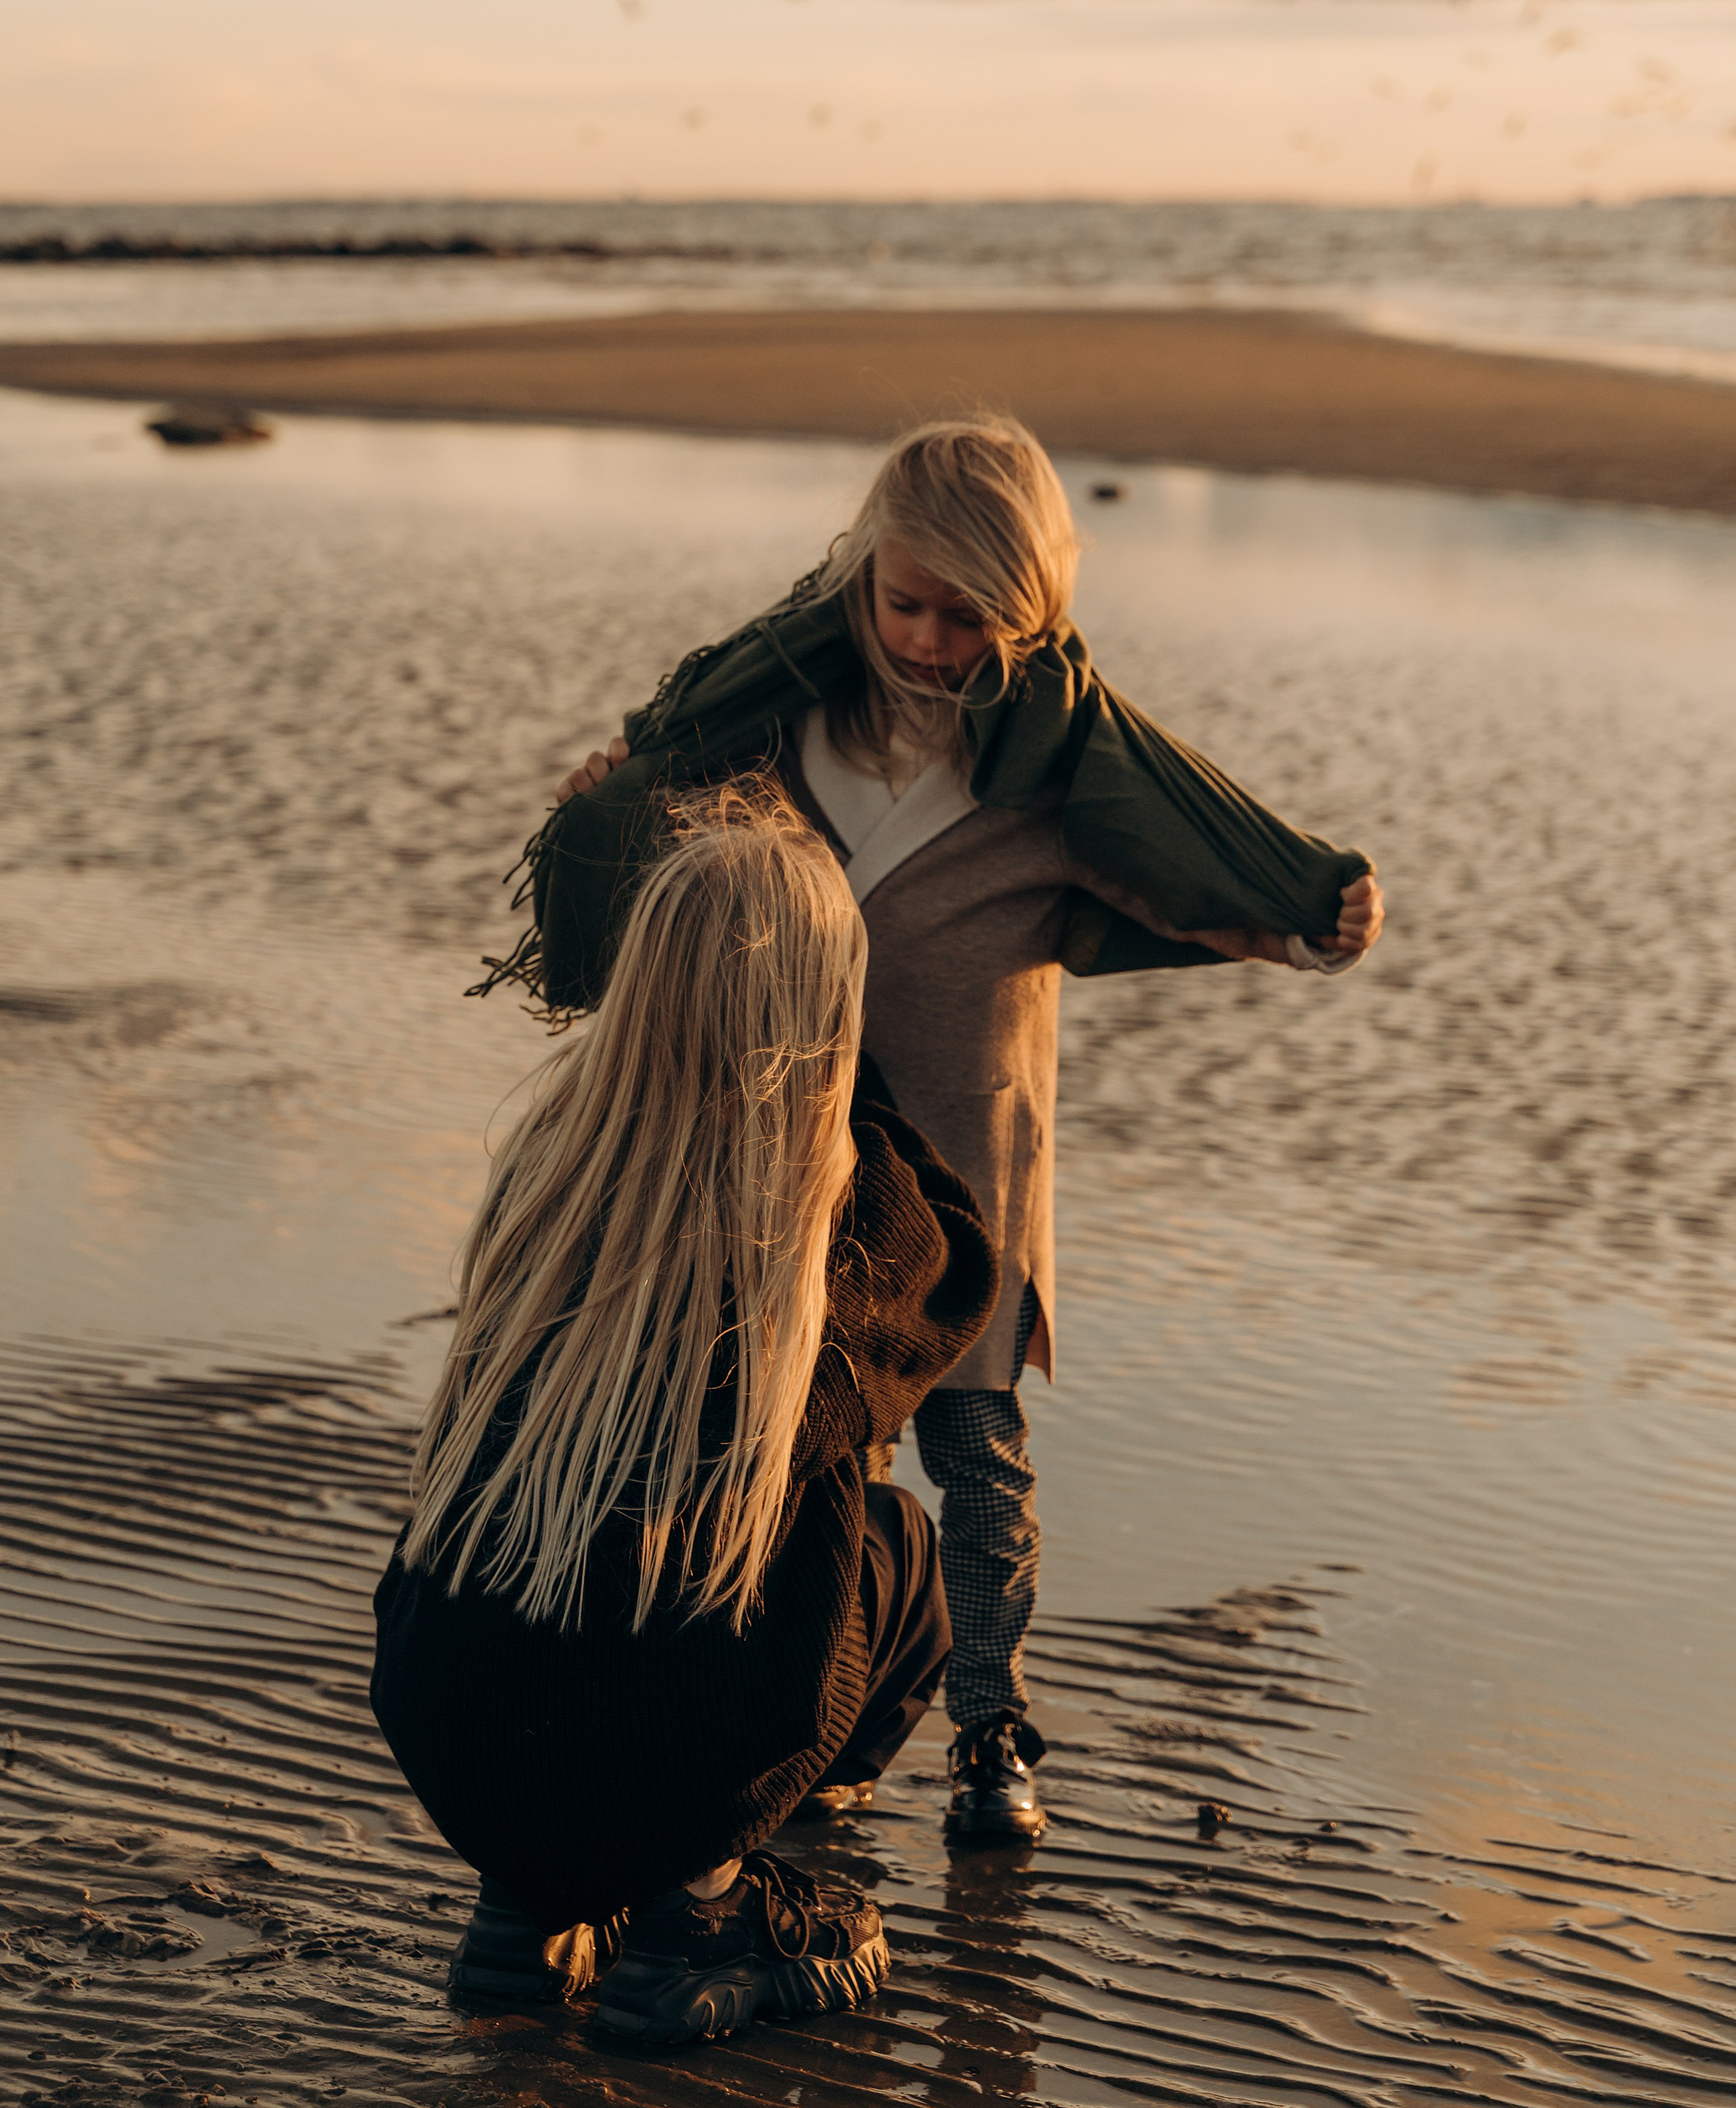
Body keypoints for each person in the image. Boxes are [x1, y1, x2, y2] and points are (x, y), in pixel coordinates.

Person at [481, 416, 1385, 1846]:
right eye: (903, 600)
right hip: (783, 1162)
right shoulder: (779, 726)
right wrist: (606, 808)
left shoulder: (1058, 778)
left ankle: (989, 1728)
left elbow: (1187, 874)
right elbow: (675, 856)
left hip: (966, 1174)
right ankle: (783, 1715)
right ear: (864, 575)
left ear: (1025, 613)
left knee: (975, 1452)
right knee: (783, 1450)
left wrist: (1310, 920)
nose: (924, 635)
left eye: (966, 616)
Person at [374, 786, 998, 2046]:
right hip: (688, 1747)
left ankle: (526, 1911)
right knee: (902, 1556)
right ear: (825, 1014)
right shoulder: (839, 1214)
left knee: (575, 1537)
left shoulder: (549, 1158)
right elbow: (969, 1274)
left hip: (454, 1741)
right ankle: (700, 1912)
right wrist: (854, 1089)